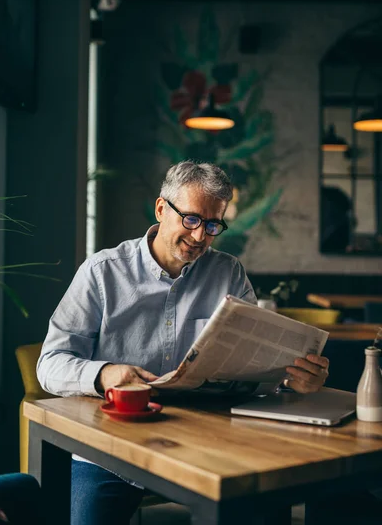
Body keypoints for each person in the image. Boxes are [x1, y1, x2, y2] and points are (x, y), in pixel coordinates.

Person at [37, 161, 329, 525]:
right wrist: (105, 374)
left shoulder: (228, 273)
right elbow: (50, 363)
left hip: (208, 443)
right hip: (110, 449)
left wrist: (292, 379)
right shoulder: (102, 272)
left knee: (266, 510)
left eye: (212, 226)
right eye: (191, 220)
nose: (200, 237)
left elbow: (255, 364)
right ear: (162, 209)